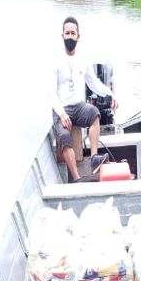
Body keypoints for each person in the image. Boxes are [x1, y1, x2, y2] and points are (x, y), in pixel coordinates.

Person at [52, 16, 118, 182]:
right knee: (65, 138)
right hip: (62, 110)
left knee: (95, 113)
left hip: (78, 107)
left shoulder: (82, 60)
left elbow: (94, 84)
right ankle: (77, 177)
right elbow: (49, 94)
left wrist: (110, 94)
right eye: (67, 33)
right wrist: (61, 113)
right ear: (62, 35)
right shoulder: (55, 61)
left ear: (78, 37)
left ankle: (95, 157)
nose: (70, 36)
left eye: (73, 33)